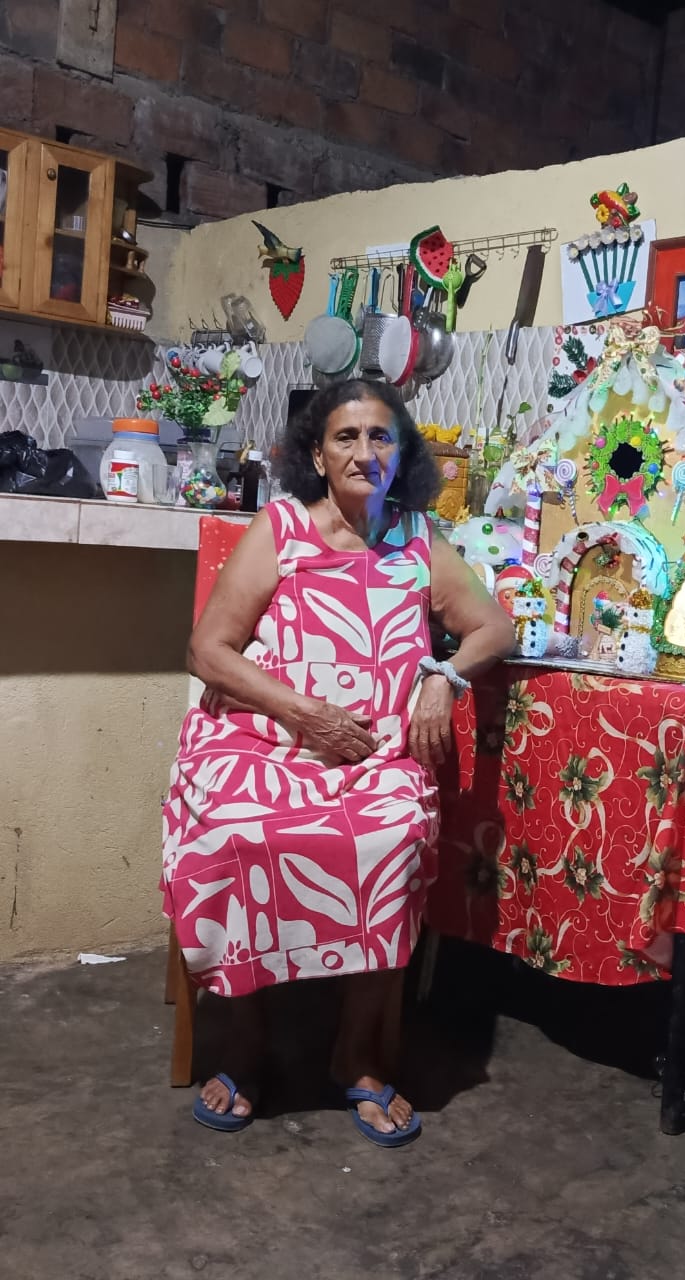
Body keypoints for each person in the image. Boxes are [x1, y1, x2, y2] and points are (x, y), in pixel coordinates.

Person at [161, 379, 515, 1145]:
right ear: (318, 456)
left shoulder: (417, 539)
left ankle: (357, 1054)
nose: (364, 452)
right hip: (267, 739)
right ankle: (244, 1045)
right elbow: (207, 649)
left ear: (401, 452)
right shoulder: (282, 527)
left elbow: (493, 627)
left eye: (380, 436)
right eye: (345, 437)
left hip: (374, 754)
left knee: (391, 836)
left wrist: (443, 676)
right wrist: (304, 715)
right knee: (239, 831)